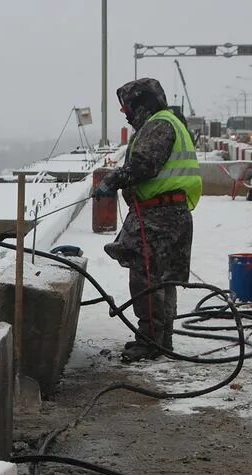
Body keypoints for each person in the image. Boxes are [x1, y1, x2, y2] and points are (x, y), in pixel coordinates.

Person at [94, 78, 202, 363]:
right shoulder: (170, 122)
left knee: (147, 278)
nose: (127, 115)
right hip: (171, 212)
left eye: (128, 108)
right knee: (163, 279)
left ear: (142, 105)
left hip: (158, 216)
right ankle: (161, 340)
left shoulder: (158, 124)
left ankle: (151, 341)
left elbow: (144, 165)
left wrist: (113, 179)